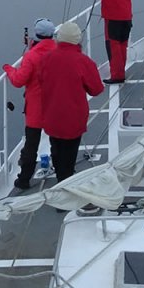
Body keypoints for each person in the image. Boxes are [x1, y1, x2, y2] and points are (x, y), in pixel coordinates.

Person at [37, 22, 104, 184]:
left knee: (57, 149)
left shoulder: (45, 59)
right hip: (74, 118)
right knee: (69, 153)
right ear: (77, 41)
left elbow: (40, 81)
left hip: (51, 116)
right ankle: (66, 184)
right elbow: (96, 89)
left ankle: (61, 178)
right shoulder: (84, 62)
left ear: (58, 39)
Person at [1, 18, 56, 189]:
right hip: (56, 105)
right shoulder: (59, 51)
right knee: (58, 140)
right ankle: (62, 172)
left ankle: (24, 179)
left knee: (31, 145)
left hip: (35, 109)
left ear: (36, 35)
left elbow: (18, 80)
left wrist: (9, 69)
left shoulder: (31, 56)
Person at [81, 0, 133, 84]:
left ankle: (117, 76)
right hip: (126, 16)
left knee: (113, 46)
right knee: (122, 45)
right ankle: (121, 71)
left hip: (112, 17)